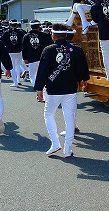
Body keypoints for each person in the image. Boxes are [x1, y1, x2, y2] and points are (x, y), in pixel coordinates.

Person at [34, 24, 89, 158]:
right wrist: (83, 79)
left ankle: (55, 143)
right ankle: (67, 149)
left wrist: (39, 88)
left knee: (48, 115)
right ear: (66, 35)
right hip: (70, 88)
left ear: (53, 35)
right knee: (70, 118)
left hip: (53, 89)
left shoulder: (48, 50)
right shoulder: (75, 50)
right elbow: (82, 68)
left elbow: (42, 71)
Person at [22, 19, 54, 89]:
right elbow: (51, 45)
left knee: (32, 75)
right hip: (44, 57)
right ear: (39, 26)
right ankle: (44, 87)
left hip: (32, 58)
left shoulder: (26, 36)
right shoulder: (45, 35)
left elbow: (24, 48)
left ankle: (37, 87)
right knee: (44, 74)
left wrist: (25, 58)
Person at [1, 19, 26, 87]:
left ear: (9, 25)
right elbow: (25, 39)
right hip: (19, 50)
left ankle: (15, 82)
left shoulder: (7, 32)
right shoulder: (20, 32)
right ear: (17, 24)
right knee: (17, 65)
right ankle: (18, 80)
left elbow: (1, 41)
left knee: (12, 66)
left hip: (10, 51)